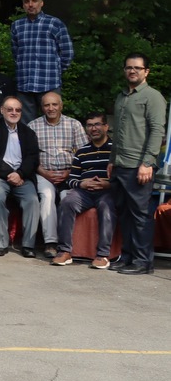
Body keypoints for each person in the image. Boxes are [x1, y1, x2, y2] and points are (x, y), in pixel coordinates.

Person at [108, 53, 166, 275]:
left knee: (140, 216)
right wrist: (112, 161)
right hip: (120, 164)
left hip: (139, 165)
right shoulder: (121, 96)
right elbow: (118, 133)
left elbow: (157, 132)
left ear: (146, 71)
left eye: (137, 68)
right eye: (128, 67)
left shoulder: (153, 97)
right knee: (124, 214)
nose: (132, 71)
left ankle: (143, 262)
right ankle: (128, 257)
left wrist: (147, 163)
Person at [50, 113, 115, 268]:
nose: (94, 128)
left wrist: (107, 184)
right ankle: (64, 251)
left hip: (107, 191)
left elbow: (121, 178)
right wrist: (83, 184)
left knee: (106, 206)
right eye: (90, 125)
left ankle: (103, 255)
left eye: (97, 124)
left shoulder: (115, 150)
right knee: (67, 202)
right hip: (84, 192)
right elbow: (71, 179)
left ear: (106, 127)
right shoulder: (82, 151)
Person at [28, 91, 87, 256]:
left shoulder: (74, 125)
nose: (51, 108)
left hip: (69, 173)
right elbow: (29, 156)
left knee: (66, 198)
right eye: (46, 105)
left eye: (54, 104)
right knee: (47, 195)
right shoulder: (33, 126)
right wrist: (44, 172)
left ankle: (66, 242)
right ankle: (51, 243)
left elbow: (83, 154)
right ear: (42, 107)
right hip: (43, 173)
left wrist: (70, 172)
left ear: (61, 106)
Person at [0, 96, 41, 257]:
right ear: (2, 110)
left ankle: (28, 245)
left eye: (18, 110)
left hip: (22, 177)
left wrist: (20, 174)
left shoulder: (28, 132)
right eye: (10, 109)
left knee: (32, 200)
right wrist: (10, 174)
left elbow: (33, 158)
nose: (14, 113)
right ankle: (1, 244)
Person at [9, 0, 75, 121]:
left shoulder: (54, 23)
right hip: (25, 84)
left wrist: (55, 70)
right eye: (27, 2)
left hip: (49, 83)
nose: (30, 4)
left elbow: (67, 52)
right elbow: (16, 53)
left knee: (53, 121)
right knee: (26, 125)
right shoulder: (17, 26)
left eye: (34, 1)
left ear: (41, 3)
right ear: (23, 5)